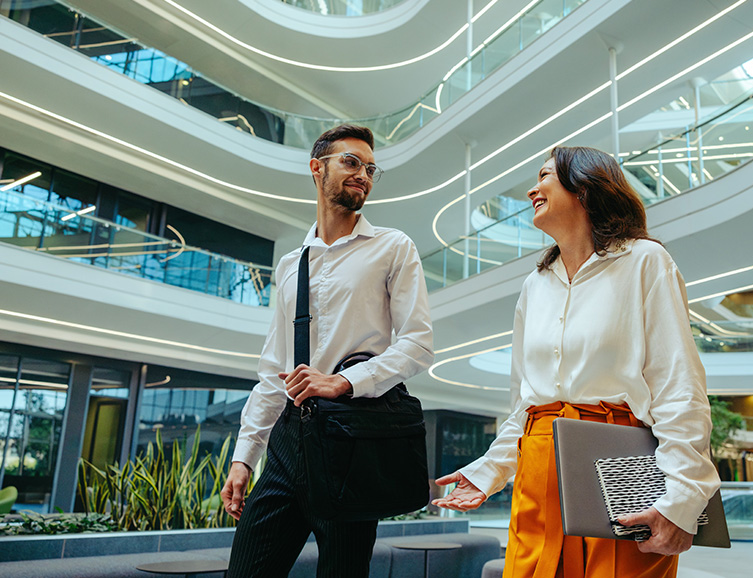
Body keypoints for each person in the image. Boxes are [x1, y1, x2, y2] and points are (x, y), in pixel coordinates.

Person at [433, 146, 719, 577]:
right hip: (537, 474)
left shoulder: (644, 260)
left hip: (621, 467)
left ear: (584, 188)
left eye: (545, 175)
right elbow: (525, 405)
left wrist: (684, 499)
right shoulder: (534, 285)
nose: (533, 189)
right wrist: (488, 472)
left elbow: (678, 386)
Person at [221, 124, 434, 578]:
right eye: (351, 162)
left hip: (351, 440)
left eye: (371, 168)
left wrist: (344, 381)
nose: (363, 175)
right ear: (317, 168)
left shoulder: (392, 247)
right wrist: (244, 457)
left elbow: (417, 345)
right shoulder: (290, 264)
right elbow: (272, 372)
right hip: (286, 444)